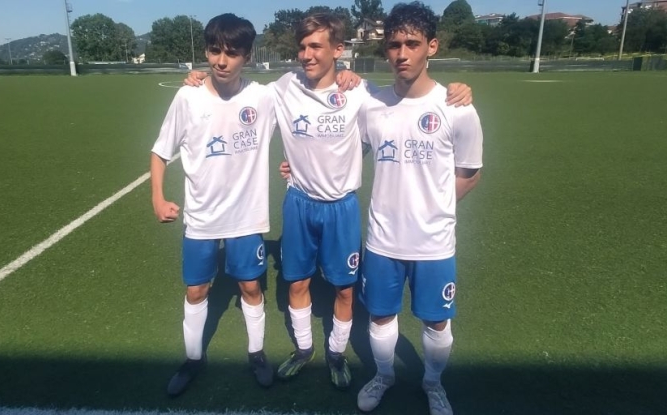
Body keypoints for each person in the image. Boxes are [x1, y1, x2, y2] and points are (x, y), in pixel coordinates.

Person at [185, 13, 473, 390]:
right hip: (299, 204)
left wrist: (458, 89)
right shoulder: (283, 88)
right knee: (297, 282)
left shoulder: (361, 92)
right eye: (302, 47)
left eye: (316, 46)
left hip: (342, 207)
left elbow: (387, 124)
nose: (306, 54)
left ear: (338, 50)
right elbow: (237, 91)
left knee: (345, 288)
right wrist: (200, 79)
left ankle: (336, 352)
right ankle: (304, 349)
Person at [354, 2, 483, 415]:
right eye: (394, 45)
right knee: (379, 316)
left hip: (433, 242)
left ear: (432, 46)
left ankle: (432, 383)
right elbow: (347, 153)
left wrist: (433, 208)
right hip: (383, 239)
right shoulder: (372, 105)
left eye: (412, 43)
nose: (402, 53)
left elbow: (469, 173)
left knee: (436, 321)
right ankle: (384, 376)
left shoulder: (457, 107)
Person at [150, 13, 278, 397]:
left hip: (246, 216)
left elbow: (312, 90)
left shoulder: (263, 96)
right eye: (214, 51)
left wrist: (345, 75)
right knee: (196, 291)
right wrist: (157, 197)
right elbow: (160, 151)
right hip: (201, 217)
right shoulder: (187, 97)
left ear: (248, 56)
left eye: (231, 53)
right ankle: (193, 359)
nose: (221, 61)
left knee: (250, 286)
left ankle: (256, 354)